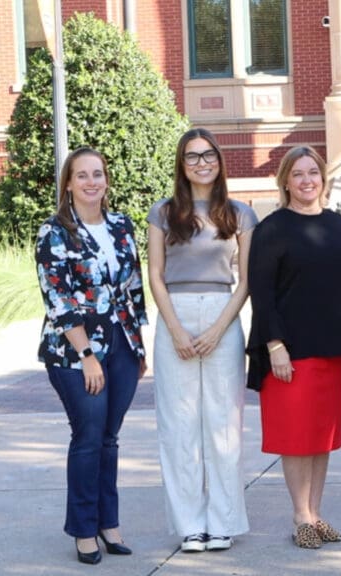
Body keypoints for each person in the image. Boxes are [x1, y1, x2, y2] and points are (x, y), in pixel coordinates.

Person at [246, 146, 341, 549]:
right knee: (295, 436)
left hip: (334, 346)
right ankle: (300, 515)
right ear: (285, 181)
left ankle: (316, 513)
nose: (306, 180)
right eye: (297, 174)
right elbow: (261, 293)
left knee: (322, 435)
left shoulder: (338, 225)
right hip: (290, 350)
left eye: (312, 172)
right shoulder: (272, 228)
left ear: (322, 177)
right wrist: (275, 344)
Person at [36, 147, 148, 565]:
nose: (91, 182)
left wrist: (137, 345)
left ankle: (108, 522)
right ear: (68, 183)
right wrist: (87, 355)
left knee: (109, 438)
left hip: (121, 343)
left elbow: (134, 287)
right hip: (75, 352)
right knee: (88, 437)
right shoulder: (54, 231)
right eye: (81, 175)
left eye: (97, 173)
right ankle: (84, 529)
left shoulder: (121, 225)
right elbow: (59, 299)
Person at [147, 128, 256, 552]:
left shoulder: (240, 214)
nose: (201, 163)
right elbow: (155, 275)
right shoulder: (162, 212)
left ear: (219, 160)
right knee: (179, 426)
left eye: (208, 155)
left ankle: (221, 522)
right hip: (174, 313)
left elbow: (246, 281)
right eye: (192, 157)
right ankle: (191, 524)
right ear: (181, 164)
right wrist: (174, 328)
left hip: (222, 315)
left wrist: (217, 330)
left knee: (223, 425)